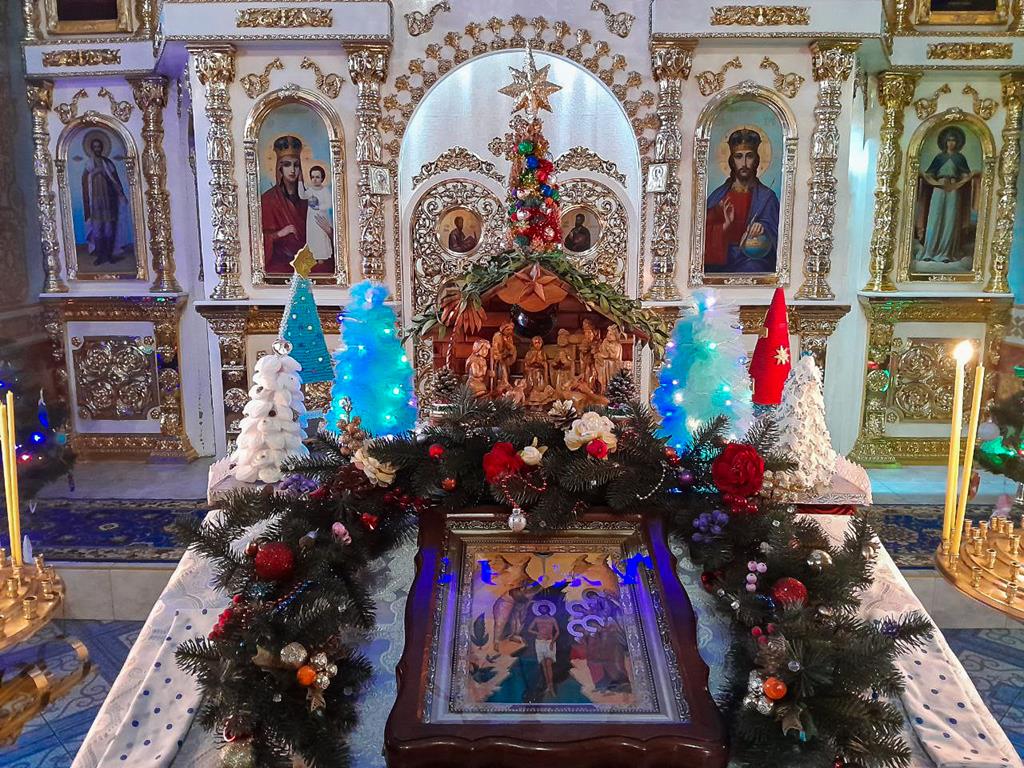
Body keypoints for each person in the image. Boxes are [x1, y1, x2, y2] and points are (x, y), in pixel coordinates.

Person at [705, 129, 780, 273]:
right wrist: (724, 226)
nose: (744, 163)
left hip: (752, 260)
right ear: (732, 161)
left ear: (756, 160)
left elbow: (778, 235)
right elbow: (701, 235)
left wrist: (762, 228)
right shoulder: (719, 196)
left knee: (754, 268)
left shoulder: (767, 197)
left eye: (749, 156)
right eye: (739, 157)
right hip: (721, 260)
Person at [260, 135, 332, 275]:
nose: (292, 170)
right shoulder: (268, 199)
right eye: (287, 165)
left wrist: (329, 232)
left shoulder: (310, 196)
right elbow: (258, 240)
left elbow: (322, 220)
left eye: (296, 165)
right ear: (280, 168)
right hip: (281, 265)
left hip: (311, 260)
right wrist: (279, 234)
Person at [916, 126, 977, 265]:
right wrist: (937, 183)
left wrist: (960, 182)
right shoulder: (939, 157)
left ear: (957, 143)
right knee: (935, 218)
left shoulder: (960, 158)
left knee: (950, 219)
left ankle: (947, 253)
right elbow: (929, 175)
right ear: (945, 142)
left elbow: (966, 176)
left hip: (954, 189)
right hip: (939, 189)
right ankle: (930, 251)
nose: (951, 143)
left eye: (953, 140)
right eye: (949, 140)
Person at [81, 133, 128, 266]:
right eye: (95, 147)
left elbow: (115, 180)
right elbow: (84, 181)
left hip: (108, 200)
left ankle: (109, 254)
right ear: (92, 149)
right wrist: (95, 173)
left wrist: (121, 194)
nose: (97, 149)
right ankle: (100, 255)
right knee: (97, 227)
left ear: (102, 148)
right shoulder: (89, 163)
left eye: (99, 146)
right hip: (95, 201)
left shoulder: (108, 163)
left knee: (109, 228)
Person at [297, 164, 333, 262]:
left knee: (321, 236)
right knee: (313, 236)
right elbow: (302, 196)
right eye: (312, 177)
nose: (315, 180)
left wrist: (318, 207)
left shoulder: (325, 191)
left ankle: (321, 257)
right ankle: (313, 256)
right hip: (311, 219)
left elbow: (329, 204)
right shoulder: (310, 190)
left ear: (322, 178)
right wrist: (300, 181)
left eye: (317, 177)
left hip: (321, 218)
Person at [528, 602, 560, 698]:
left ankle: (551, 687)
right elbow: (529, 629)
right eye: (541, 609)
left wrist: (552, 642)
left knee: (549, 664)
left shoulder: (552, 619)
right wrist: (537, 633)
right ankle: (548, 686)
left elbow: (557, 631)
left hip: (549, 642)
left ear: (548, 609)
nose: (543, 610)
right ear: (539, 610)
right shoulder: (537, 619)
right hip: (539, 642)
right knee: (544, 666)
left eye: (544, 608)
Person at [490, 322, 517, 390]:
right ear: (503, 329)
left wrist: (507, 344)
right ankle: (502, 383)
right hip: (498, 357)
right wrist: (499, 355)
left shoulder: (509, 337)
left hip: (506, 356)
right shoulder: (497, 336)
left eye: (511, 330)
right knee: (502, 367)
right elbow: (495, 348)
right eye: (508, 330)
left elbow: (511, 348)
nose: (510, 332)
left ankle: (505, 381)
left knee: (506, 368)